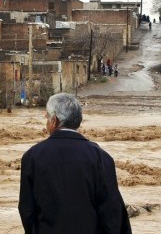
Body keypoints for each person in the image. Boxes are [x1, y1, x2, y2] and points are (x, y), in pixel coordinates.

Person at [19, 93, 132, 234]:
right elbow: (112, 211)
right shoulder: (101, 158)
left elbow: (27, 210)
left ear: (54, 121)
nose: (47, 122)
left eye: (47, 117)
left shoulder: (32, 157)